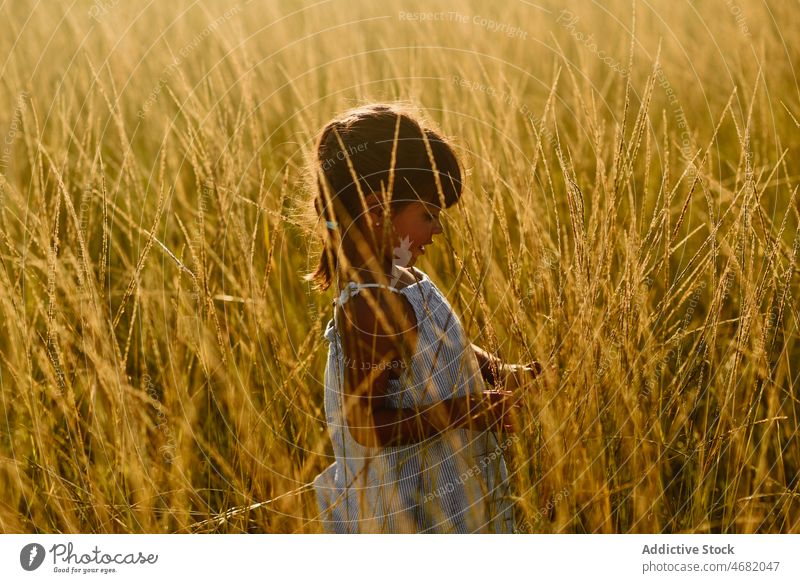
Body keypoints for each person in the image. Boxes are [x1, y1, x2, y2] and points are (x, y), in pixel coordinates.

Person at [304, 103, 541, 533]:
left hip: (446, 487)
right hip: (406, 507)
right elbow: (366, 425)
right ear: (377, 212)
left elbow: (442, 347)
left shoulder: (403, 277)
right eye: (427, 214)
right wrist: (465, 411)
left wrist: (496, 370)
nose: (437, 229)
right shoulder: (367, 309)